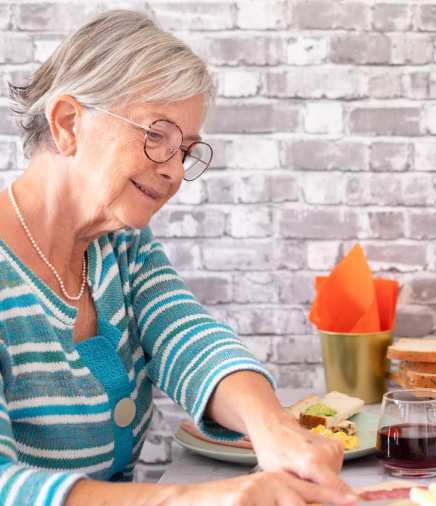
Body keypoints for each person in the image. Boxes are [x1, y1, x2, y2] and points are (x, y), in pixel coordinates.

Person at [0, 10, 355, 505]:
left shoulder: (120, 246)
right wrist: (191, 499)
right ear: (67, 123)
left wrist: (272, 425)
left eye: (185, 151)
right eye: (156, 136)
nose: (173, 172)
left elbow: (187, 335)